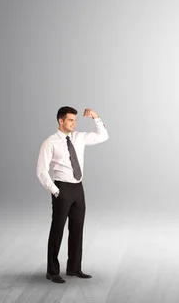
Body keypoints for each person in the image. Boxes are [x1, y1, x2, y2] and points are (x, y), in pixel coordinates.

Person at [36, 106, 109, 283]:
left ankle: (74, 268)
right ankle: (52, 271)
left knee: (77, 229)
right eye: (70, 120)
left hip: (78, 188)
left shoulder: (79, 138)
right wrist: (55, 191)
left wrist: (95, 117)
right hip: (62, 189)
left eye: (75, 120)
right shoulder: (50, 142)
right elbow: (41, 171)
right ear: (60, 121)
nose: (74, 123)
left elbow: (103, 136)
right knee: (57, 230)